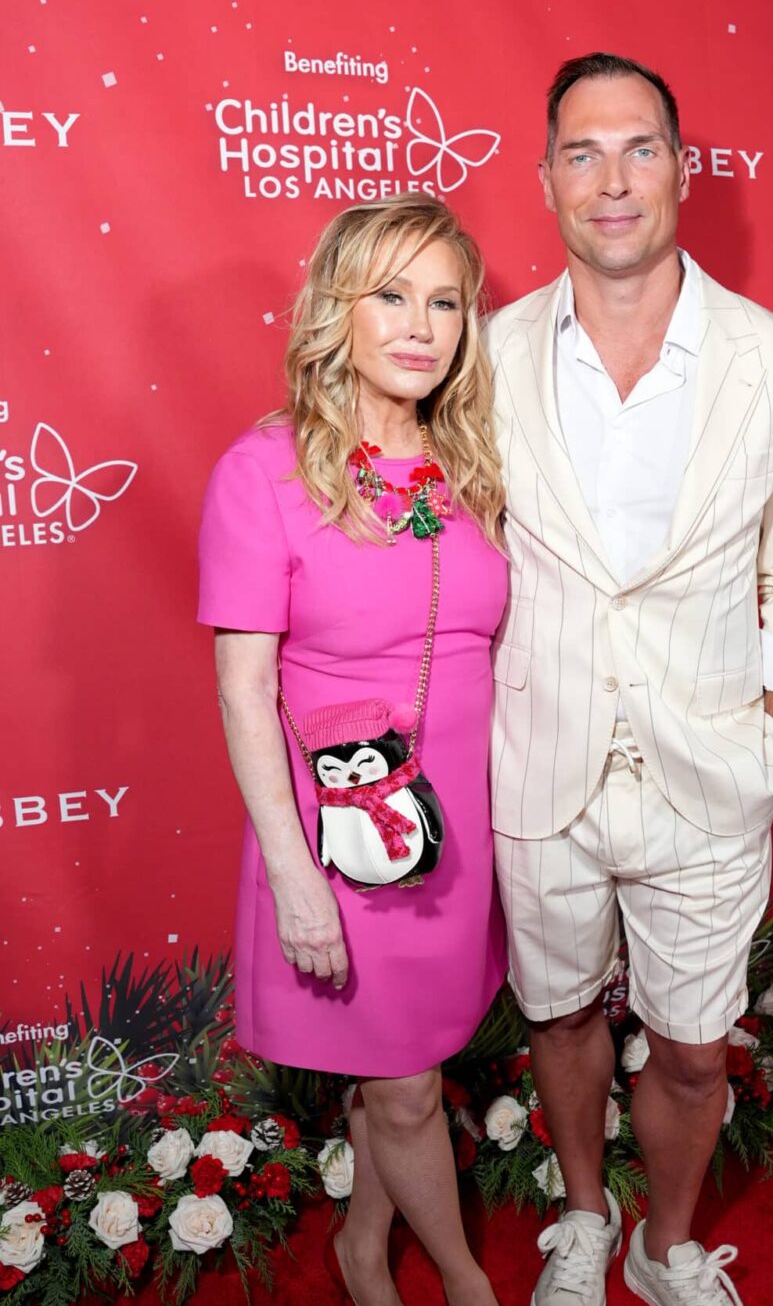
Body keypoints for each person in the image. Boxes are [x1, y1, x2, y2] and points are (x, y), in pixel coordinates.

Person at [484, 53, 773, 1306]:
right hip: (542, 762)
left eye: (639, 148)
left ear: (684, 169)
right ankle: (586, 1220)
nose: (613, 180)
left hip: (709, 771)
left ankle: (666, 1240)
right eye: (581, 154)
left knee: (695, 1053)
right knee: (562, 1016)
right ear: (545, 183)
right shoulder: (482, 360)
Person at [198, 193, 506, 1306]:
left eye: (444, 300)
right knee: (412, 1085)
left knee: (402, 1074)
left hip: (458, 832)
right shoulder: (264, 469)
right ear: (338, 306)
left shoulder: (470, 463)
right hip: (345, 840)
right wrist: (293, 877)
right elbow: (243, 687)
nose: (421, 325)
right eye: (391, 295)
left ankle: (361, 1249)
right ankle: (468, 1283)